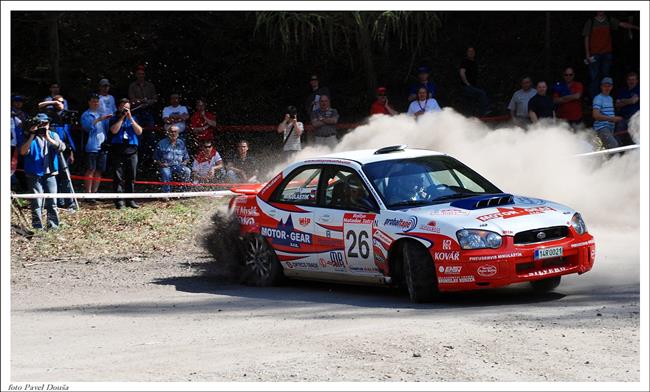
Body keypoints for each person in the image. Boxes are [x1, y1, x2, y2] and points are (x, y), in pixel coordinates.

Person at [19, 113, 66, 230]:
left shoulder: (53, 135)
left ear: (49, 124)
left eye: (46, 123)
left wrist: (48, 138)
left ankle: (53, 226)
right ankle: (37, 227)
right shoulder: (29, 136)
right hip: (34, 173)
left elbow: (62, 148)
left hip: (50, 173)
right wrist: (31, 135)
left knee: (52, 202)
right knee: (36, 202)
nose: (43, 126)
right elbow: (23, 152)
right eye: (41, 124)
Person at [582, 11, 639, 98]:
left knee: (606, 77)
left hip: (606, 53)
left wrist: (636, 27)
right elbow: (586, 37)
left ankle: (606, 98)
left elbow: (622, 24)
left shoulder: (608, 20)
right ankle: (595, 99)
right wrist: (587, 53)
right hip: (594, 53)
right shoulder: (591, 21)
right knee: (594, 77)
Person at [38, 95, 77, 210]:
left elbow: (68, 137)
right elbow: (40, 106)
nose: (59, 104)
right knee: (52, 175)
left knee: (65, 176)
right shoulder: (49, 113)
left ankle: (70, 203)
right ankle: (56, 201)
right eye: (57, 102)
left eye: (61, 102)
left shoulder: (66, 114)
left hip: (63, 148)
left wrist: (71, 153)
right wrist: (53, 102)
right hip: (49, 149)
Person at [108, 98, 143, 209]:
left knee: (131, 176)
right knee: (118, 177)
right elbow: (114, 131)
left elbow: (139, 131)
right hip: (117, 149)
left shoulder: (134, 118)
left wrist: (130, 118)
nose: (126, 110)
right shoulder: (114, 118)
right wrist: (122, 118)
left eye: (127, 108)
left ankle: (130, 200)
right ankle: (119, 201)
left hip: (132, 150)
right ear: (119, 107)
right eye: (124, 108)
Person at [80, 94, 112, 202]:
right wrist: (98, 120)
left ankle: (94, 192)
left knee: (99, 170)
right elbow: (87, 127)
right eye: (93, 101)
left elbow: (108, 128)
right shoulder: (86, 114)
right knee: (90, 169)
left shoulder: (101, 113)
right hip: (91, 146)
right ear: (89, 102)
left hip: (102, 145)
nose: (95, 103)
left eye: (97, 102)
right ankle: (87, 194)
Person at [154, 125, 191, 193]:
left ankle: (183, 191)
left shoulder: (181, 143)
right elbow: (156, 158)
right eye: (171, 132)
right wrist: (161, 164)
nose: (173, 133)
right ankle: (167, 194)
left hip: (178, 166)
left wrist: (185, 162)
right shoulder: (161, 143)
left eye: (175, 132)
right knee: (166, 173)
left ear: (178, 133)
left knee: (187, 171)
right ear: (168, 132)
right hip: (166, 166)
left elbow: (187, 157)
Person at [459, 46, 490, 116]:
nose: (471, 53)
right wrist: (467, 84)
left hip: (474, 86)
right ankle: (485, 111)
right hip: (467, 87)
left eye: (472, 51)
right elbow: (462, 73)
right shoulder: (465, 62)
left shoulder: (474, 62)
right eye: (469, 51)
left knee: (472, 102)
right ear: (467, 53)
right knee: (482, 93)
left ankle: (476, 116)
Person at [592, 77, 621, 150]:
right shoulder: (598, 98)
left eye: (609, 86)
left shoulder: (610, 98)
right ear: (601, 86)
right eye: (605, 86)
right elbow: (595, 115)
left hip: (610, 128)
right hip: (601, 128)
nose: (607, 88)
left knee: (606, 150)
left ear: (612, 87)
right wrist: (611, 119)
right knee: (613, 146)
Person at [614, 71, 640, 146]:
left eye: (633, 79)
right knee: (617, 136)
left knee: (636, 137)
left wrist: (622, 100)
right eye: (630, 79)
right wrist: (630, 100)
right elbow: (617, 104)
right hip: (623, 118)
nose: (631, 81)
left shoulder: (639, 89)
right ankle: (619, 152)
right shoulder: (622, 90)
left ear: (636, 80)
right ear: (627, 81)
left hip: (636, 119)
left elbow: (633, 101)